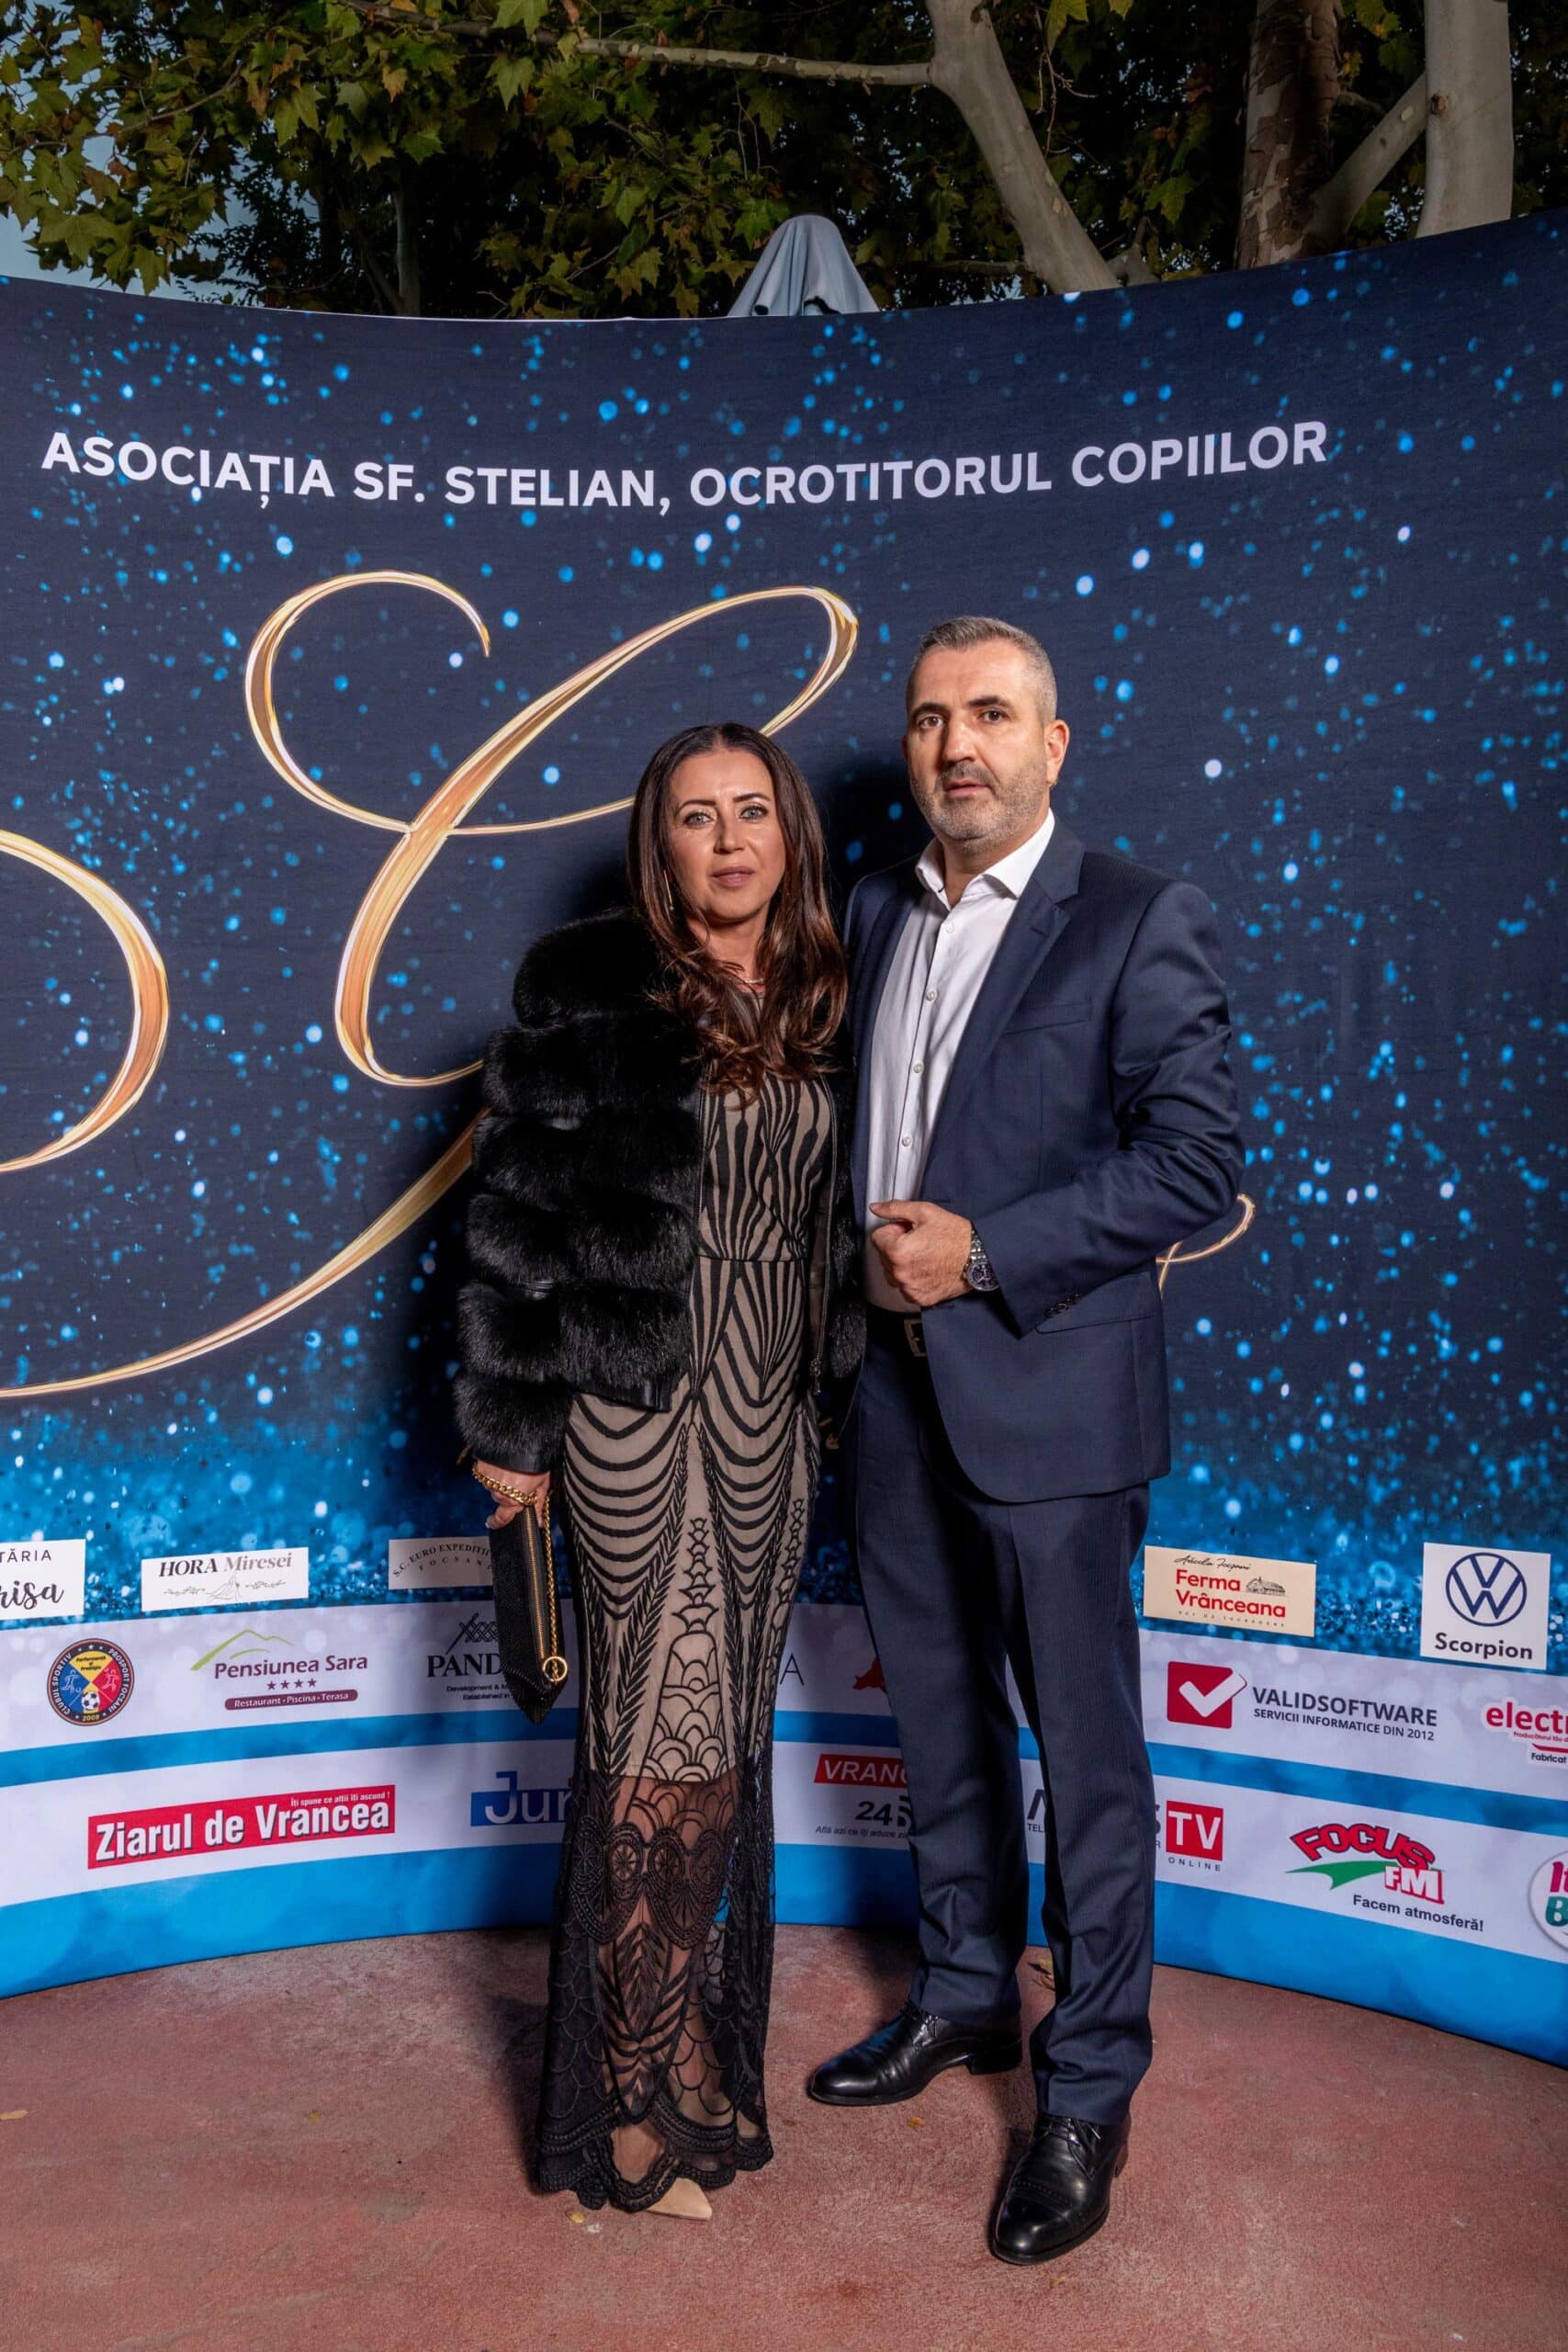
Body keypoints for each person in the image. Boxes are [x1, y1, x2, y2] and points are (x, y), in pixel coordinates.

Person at [809, 616, 1242, 2265]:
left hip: (1053, 1401)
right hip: (889, 1391)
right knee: (939, 1722)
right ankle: (968, 1993)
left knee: (1089, 1759)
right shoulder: (874, 911)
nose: (956, 745)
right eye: (931, 719)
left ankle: (1089, 2089)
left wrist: (985, 1251)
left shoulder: (1135, 917)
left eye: (991, 715)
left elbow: (1193, 1163)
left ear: (1053, 744)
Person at [454, 721, 863, 2221]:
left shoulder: (832, 994)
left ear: (789, 833)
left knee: (722, 1745)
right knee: (658, 1746)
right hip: (637, 1412)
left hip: (774, 1420)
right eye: (698, 817)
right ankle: (623, 2111)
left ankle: (689, 2055)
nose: (730, 840)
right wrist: (511, 1433)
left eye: (754, 811)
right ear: (660, 845)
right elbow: (516, 1219)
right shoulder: (588, 986)